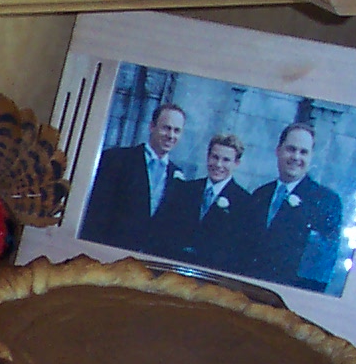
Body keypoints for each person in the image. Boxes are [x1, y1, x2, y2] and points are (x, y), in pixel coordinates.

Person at [238, 123, 344, 289]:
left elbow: (318, 270)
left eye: (303, 152)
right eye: (291, 149)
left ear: (311, 157)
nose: (296, 157)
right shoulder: (261, 194)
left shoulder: (325, 201)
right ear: (278, 150)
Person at [81, 102, 184, 252]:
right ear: (152, 127)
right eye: (166, 128)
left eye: (177, 131)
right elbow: (97, 213)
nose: (171, 136)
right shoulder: (117, 159)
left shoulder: (178, 175)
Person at [157, 133, 250, 269]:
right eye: (215, 157)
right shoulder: (185, 190)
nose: (218, 164)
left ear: (236, 163)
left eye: (226, 160)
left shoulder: (244, 202)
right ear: (208, 157)